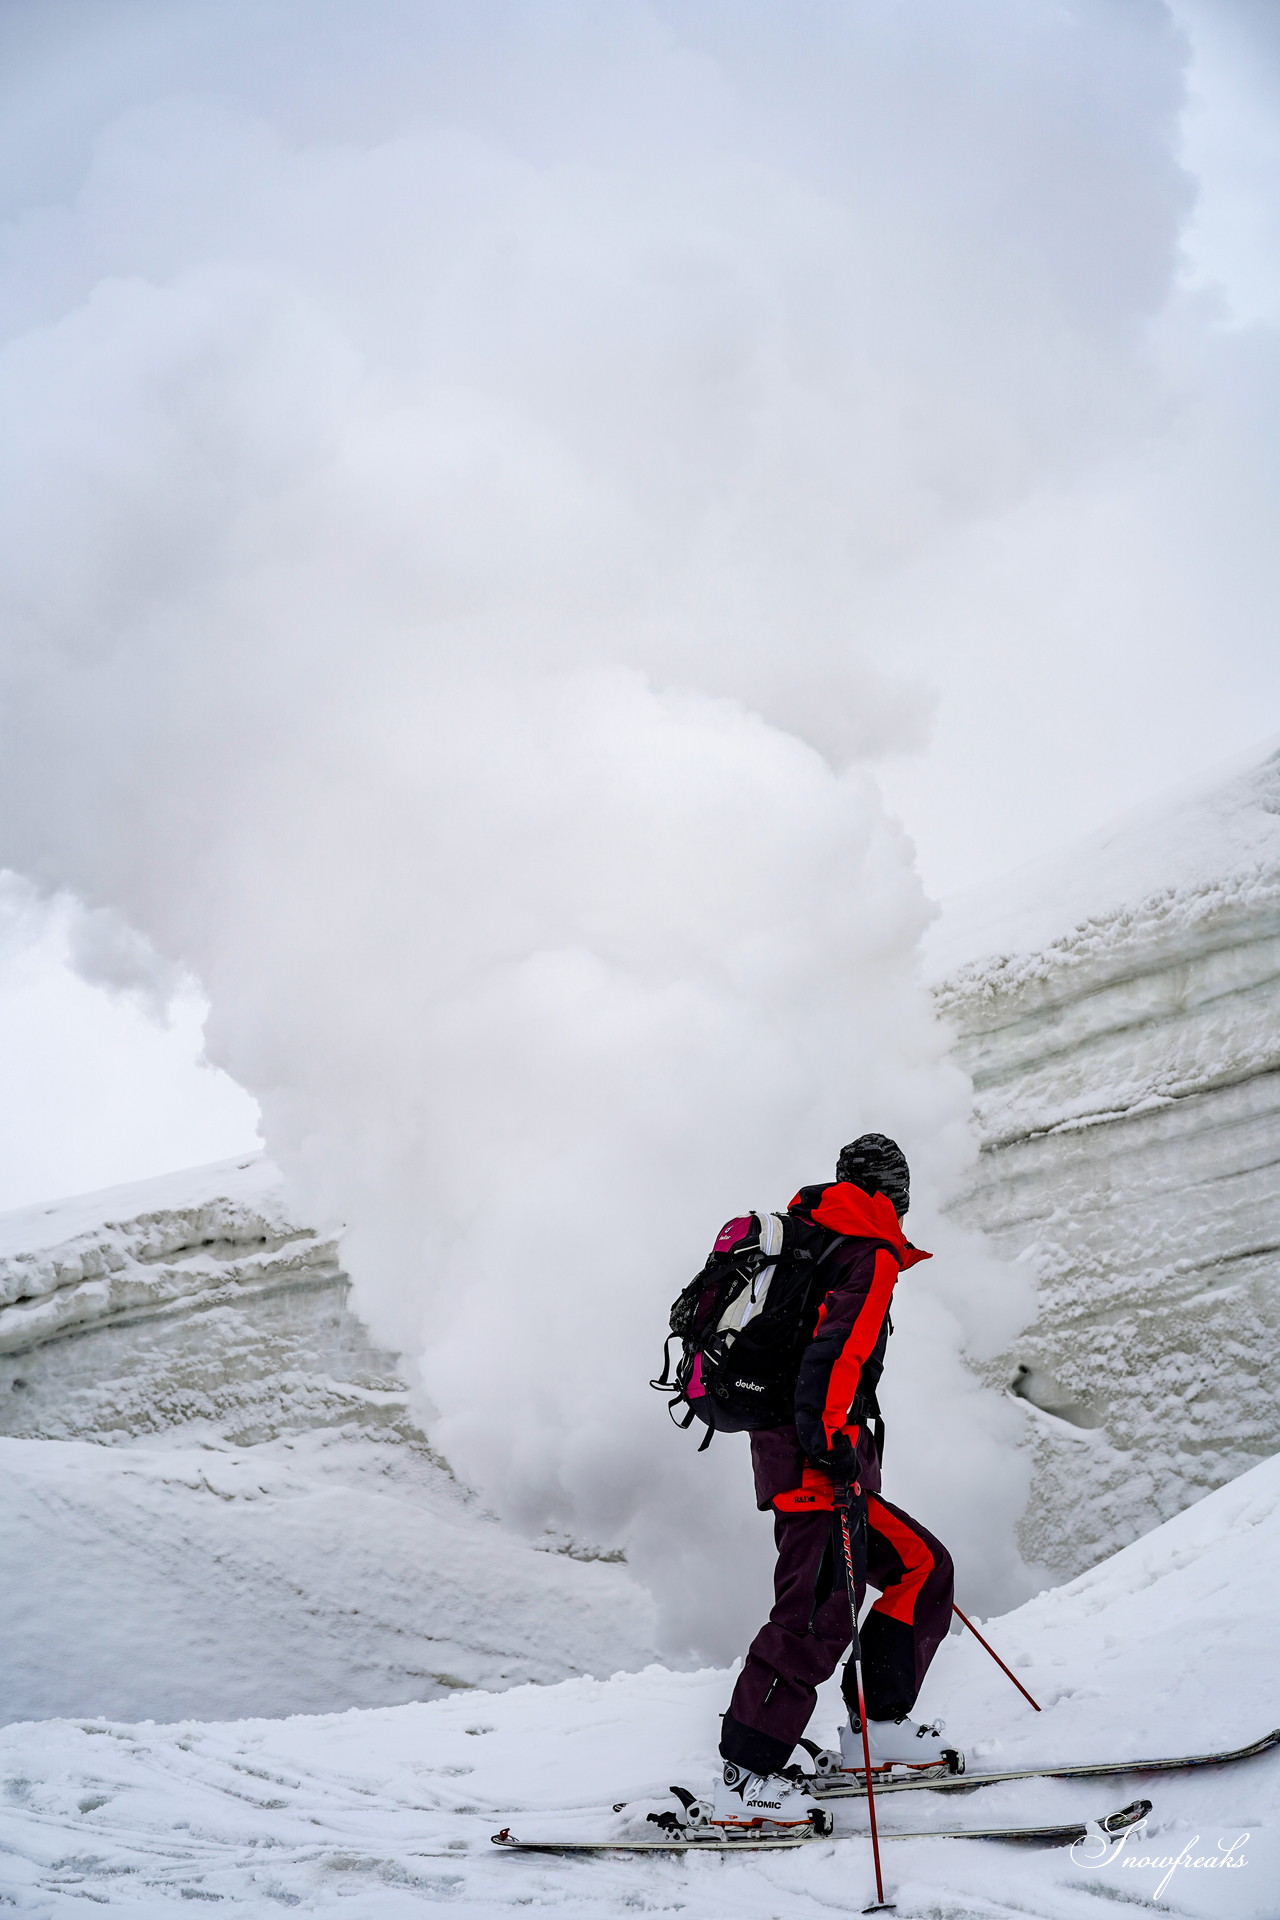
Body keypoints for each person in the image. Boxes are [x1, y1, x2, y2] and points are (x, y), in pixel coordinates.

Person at [710, 1133, 958, 1831]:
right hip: (818, 1470)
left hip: (817, 1464)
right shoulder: (866, 1252)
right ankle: (745, 1777)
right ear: (894, 1193)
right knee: (814, 1618)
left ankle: (878, 1731)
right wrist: (831, 1447)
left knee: (920, 1565)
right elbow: (834, 1356)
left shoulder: (812, 1238)